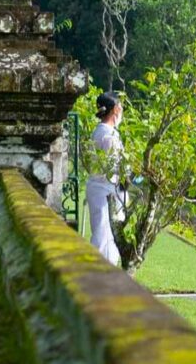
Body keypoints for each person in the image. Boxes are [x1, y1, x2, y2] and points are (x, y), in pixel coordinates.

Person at [87, 92, 125, 266]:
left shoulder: (102, 131)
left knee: (104, 233)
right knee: (105, 236)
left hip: (101, 189)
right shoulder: (107, 135)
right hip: (105, 190)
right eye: (120, 107)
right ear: (115, 110)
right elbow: (113, 168)